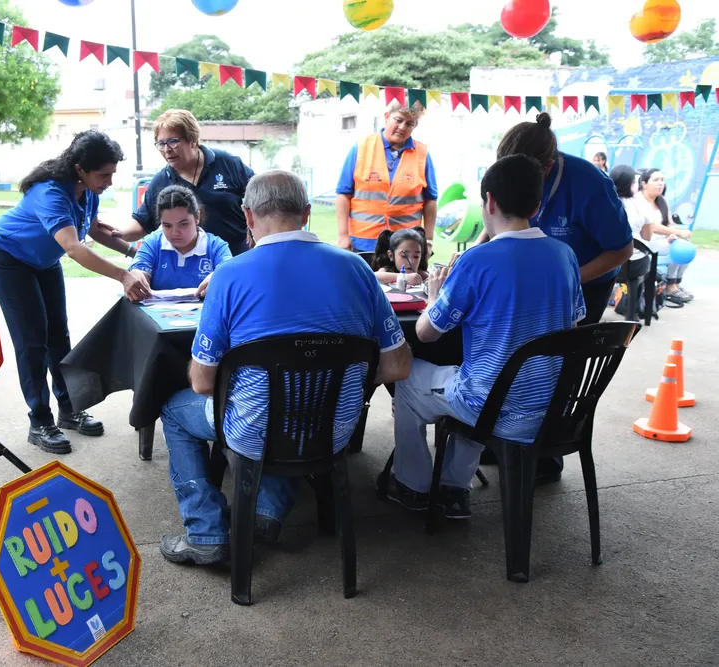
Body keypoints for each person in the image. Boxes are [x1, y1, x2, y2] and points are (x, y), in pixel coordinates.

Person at [157, 171, 412, 565]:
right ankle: (267, 511)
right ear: (308, 213)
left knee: (175, 409)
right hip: (332, 430)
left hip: (256, 429)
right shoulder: (358, 270)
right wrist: (343, 381)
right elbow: (398, 366)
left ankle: (206, 531)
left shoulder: (229, 275)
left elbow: (202, 381)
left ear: (247, 215)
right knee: (286, 411)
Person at [383, 155, 585, 519]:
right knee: (472, 376)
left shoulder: (477, 260)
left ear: (488, 201)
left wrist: (433, 298)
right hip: (553, 410)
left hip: (494, 408)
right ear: (537, 205)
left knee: (409, 375)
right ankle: (452, 488)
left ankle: (413, 486)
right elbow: (572, 326)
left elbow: (427, 334)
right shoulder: (565, 255)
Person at [474, 113, 632, 484]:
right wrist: (474, 254)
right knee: (510, 354)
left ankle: (547, 455)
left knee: (561, 363)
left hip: (584, 281)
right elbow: (497, 216)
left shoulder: (588, 184)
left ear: (547, 166)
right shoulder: (513, 175)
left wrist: (566, 279)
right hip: (529, 276)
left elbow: (621, 249)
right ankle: (502, 439)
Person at [0, 131, 152, 455]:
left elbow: (95, 230)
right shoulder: (50, 193)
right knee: (32, 340)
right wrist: (123, 276)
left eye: (112, 174)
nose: (109, 181)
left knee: (59, 335)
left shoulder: (88, 192)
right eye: (104, 174)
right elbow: (74, 247)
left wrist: (135, 253)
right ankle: (39, 421)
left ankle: (68, 409)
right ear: (80, 169)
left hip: (43, 260)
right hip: (8, 258)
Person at [115, 109, 255, 256]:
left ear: (193, 139)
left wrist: (255, 226)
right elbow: (143, 223)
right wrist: (120, 233)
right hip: (191, 268)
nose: (167, 149)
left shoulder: (228, 163)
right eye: (161, 143)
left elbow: (261, 198)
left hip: (237, 258)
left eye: (173, 141)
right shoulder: (161, 181)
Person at [335, 100, 439, 253]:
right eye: (398, 120)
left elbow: (430, 200)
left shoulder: (422, 154)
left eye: (410, 124)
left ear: (415, 126)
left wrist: (428, 241)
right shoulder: (361, 147)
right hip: (362, 243)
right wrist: (343, 235)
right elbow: (343, 194)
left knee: (404, 279)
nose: (402, 127)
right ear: (386, 116)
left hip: (406, 245)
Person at [129, 185, 232, 295]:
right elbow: (139, 273)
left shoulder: (216, 247)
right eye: (167, 225)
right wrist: (136, 279)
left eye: (183, 224)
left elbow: (230, 273)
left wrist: (220, 278)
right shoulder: (152, 243)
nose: (175, 232)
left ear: (197, 217)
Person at [636, 168, 693, 305]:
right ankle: (670, 286)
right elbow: (651, 227)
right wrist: (676, 234)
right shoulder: (638, 201)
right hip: (644, 241)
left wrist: (675, 234)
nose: (660, 183)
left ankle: (676, 283)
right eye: (655, 180)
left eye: (662, 180)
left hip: (662, 240)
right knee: (676, 248)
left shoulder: (662, 201)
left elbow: (669, 224)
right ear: (644, 183)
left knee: (685, 247)